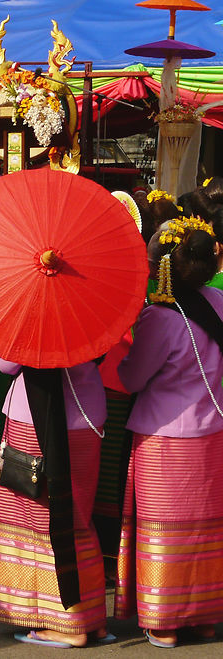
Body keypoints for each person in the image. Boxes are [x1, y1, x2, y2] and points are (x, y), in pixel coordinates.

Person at [115, 214, 223, 648]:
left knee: (165, 529)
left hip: (166, 441)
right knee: (205, 530)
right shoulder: (218, 302)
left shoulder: (160, 317)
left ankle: (165, 618)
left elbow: (132, 379)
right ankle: (203, 616)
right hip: (213, 434)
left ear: (162, 266)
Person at [0, 352, 110, 648]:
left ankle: (69, 624)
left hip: (34, 418)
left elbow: (6, 363)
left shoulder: (32, 307)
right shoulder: (90, 306)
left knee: (39, 518)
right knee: (78, 516)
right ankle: (90, 618)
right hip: (87, 416)